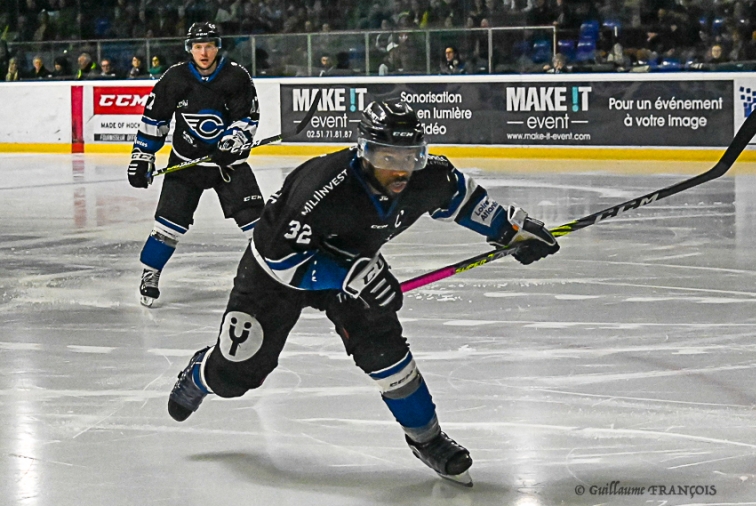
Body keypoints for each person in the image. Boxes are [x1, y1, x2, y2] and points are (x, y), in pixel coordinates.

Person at [166, 99, 560, 486]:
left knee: (385, 350)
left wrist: (508, 230)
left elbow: (462, 199)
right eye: (388, 157)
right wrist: (353, 275)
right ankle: (203, 373)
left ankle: (428, 439)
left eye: (409, 157)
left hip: (355, 264)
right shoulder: (320, 187)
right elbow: (283, 261)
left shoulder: (428, 176)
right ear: (365, 152)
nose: (400, 169)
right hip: (274, 276)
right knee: (237, 375)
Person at [126, 21, 264, 307]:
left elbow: (247, 117)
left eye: (209, 46)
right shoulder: (174, 79)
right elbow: (155, 120)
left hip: (228, 166)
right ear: (190, 48)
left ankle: (271, 277)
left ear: (218, 47)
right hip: (186, 163)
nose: (204, 52)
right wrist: (142, 157)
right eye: (198, 46)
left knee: (259, 226)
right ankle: (150, 273)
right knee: (167, 227)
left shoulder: (236, 77)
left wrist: (232, 142)